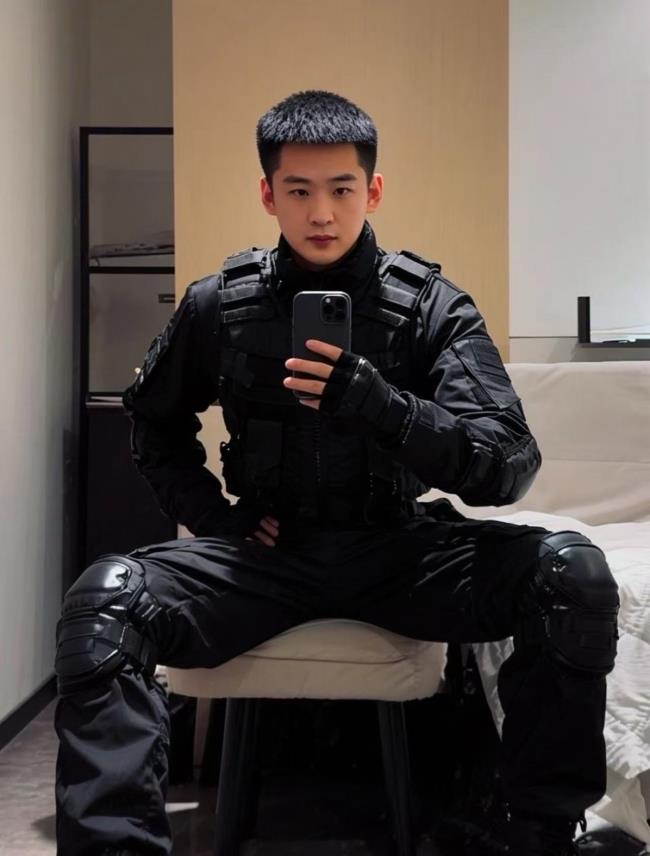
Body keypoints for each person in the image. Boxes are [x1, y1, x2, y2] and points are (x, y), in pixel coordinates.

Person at [54, 90, 619, 856]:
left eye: (341, 189)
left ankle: (541, 836)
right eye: (298, 191)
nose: (321, 213)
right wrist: (216, 517)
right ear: (268, 195)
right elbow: (154, 423)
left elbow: (507, 465)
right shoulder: (219, 304)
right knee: (106, 601)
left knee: (571, 575)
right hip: (267, 556)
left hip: (399, 550)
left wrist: (387, 408)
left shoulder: (431, 308)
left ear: (372, 190)